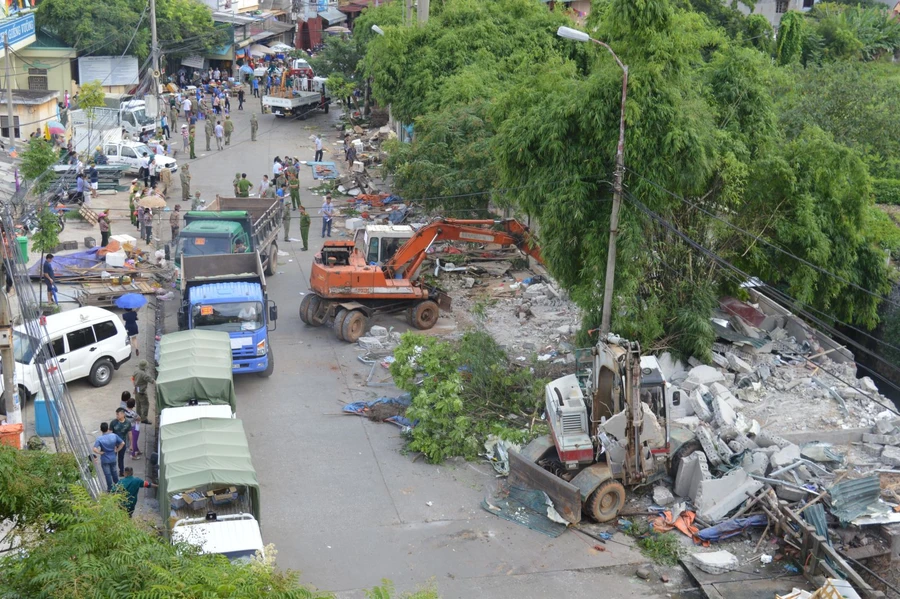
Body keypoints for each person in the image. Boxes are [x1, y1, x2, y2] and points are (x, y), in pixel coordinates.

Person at [92, 422, 125, 492]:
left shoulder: (99, 439)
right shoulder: (114, 436)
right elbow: (122, 443)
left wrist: (100, 452)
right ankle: (118, 486)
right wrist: (117, 450)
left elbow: (94, 449)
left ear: (101, 429)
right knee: (114, 472)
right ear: (108, 429)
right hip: (113, 457)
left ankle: (110, 488)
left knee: (108, 475)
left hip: (105, 458)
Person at [109, 407, 132, 478]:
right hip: (114, 444)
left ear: (123, 414)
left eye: (118, 414)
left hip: (123, 444)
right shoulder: (113, 422)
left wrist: (131, 445)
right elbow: (110, 434)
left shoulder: (128, 423)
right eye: (116, 414)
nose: (117, 416)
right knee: (112, 458)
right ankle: (112, 471)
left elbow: (130, 433)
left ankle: (121, 471)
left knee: (121, 458)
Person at [121, 394, 141, 458]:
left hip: (126, 427)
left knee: (128, 439)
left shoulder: (124, 411)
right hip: (132, 427)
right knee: (133, 441)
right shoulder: (133, 413)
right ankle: (133, 454)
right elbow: (139, 418)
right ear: (133, 405)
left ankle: (136, 450)